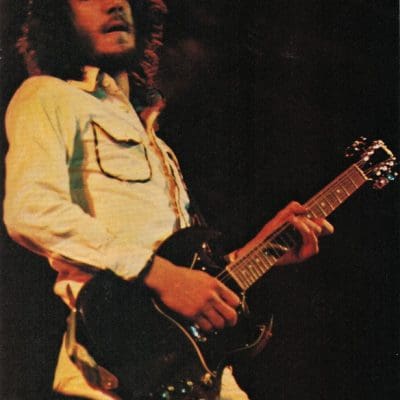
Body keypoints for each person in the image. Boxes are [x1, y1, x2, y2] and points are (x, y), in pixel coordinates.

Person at [3, 1, 334, 399]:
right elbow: (31, 210)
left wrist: (260, 250)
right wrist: (163, 276)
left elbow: (188, 268)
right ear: (60, 17)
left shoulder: (157, 145)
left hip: (194, 368)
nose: (115, 3)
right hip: (120, 364)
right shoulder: (48, 96)